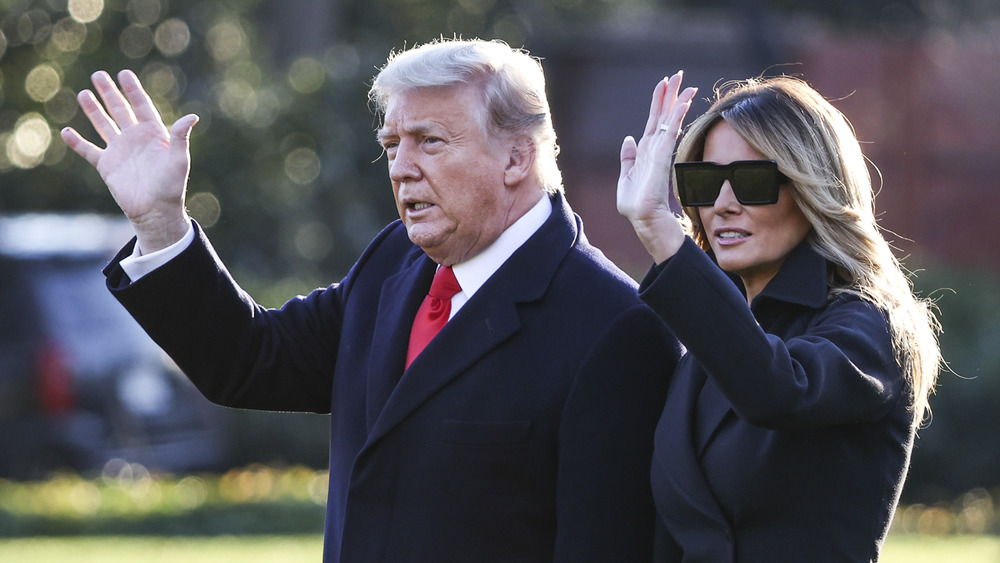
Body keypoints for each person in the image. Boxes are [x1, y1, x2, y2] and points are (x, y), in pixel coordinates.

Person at [61, 39, 681, 562]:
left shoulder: (615, 329)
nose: (401, 167)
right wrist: (163, 222)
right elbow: (252, 361)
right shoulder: (395, 263)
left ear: (516, 157)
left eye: (429, 141)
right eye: (391, 145)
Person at [617, 72, 941, 561]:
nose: (722, 205)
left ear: (813, 189)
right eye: (704, 182)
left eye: (751, 181)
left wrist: (660, 235)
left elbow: (776, 389)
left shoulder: (872, 327)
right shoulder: (709, 336)